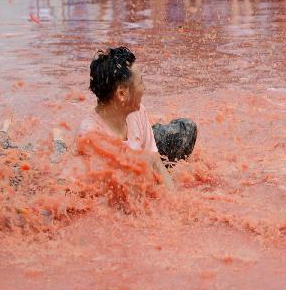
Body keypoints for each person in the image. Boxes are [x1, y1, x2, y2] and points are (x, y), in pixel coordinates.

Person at [78, 47, 198, 189]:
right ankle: (60, 142)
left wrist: (173, 197)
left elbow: (155, 160)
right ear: (122, 93)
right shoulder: (91, 137)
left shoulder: (137, 110)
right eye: (140, 82)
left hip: (140, 150)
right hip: (123, 169)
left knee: (187, 129)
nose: (144, 88)